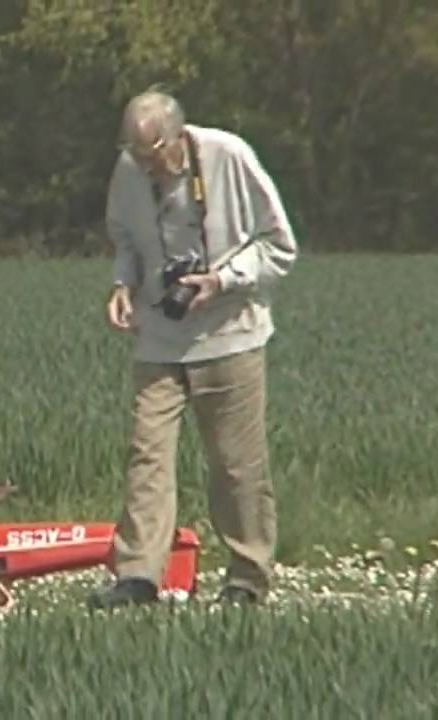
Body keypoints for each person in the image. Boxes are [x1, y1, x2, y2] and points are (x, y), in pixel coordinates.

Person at [88, 86, 298, 609]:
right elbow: (127, 240)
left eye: (154, 154)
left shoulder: (229, 156)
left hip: (230, 331)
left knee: (235, 463)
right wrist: (122, 285)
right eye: (136, 155)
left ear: (179, 136)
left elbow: (279, 245)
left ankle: (248, 577)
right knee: (147, 455)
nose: (146, 166)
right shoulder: (129, 170)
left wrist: (221, 279)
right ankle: (137, 575)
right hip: (160, 335)